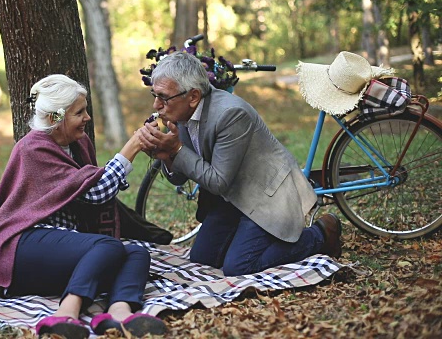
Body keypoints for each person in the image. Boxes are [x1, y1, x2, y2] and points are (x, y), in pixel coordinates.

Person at [0, 74, 166, 339]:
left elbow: (88, 190)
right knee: (108, 246)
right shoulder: (33, 149)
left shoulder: (77, 145)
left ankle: (119, 313)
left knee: (136, 252)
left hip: (59, 247)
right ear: (55, 118)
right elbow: (96, 192)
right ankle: (65, 314)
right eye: (79, 112)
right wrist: (132, 147)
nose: (87, 118)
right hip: (22, 247)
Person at [137, 51, 343, 277]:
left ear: (193, 96)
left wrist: (176, 149)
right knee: (203, 260)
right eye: (154, 95)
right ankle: (243, 240)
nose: (157, 105)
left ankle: (321, 234)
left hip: (266, 194)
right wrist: (165, 155)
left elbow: (217, 182)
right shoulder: (182, 112)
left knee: (238, 267)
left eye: (164, 97)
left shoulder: (230, 114)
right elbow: (179, 177)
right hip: (232, 196)